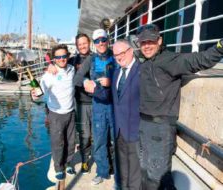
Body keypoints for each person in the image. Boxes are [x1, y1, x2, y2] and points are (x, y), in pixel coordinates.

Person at [136, 24, 223, 189]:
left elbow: (199, 60)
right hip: (142, 125)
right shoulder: (144, 62)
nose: (146, 46)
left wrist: (220, 47)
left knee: (158, 178)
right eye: (143, 42)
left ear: (159, 40)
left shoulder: (170, 60)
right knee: (144, 172)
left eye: (150, 41)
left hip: (159, 129)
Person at [46, 33, 93, 174]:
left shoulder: (96, 58)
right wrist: (50, 65)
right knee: (83, 135)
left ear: (89, 43)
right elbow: (60, 61)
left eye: (85, 43)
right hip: (80, 102)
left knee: (99, 134)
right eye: (79, 44)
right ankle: (83, 162)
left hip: (97, 101)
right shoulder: (72, 61)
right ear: (77, 46)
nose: (82, 46)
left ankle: (99, 161)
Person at [74, 29, 115, 185]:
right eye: (97, 41)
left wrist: (111, 81)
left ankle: (116, 171)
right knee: (99, 140)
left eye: (103, 40)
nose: (100, 43)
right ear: (94, 43)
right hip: (98, 105)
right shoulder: (90, 59)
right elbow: (77, 78)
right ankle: (102, 172)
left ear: (107, 40)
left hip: (115, 105)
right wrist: (85, 82)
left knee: (115, 141)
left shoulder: (116, 55)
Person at [32, 44, 76, 181]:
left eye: (64, 56)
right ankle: (58, 167)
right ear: (54, 59)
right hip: (56, 114)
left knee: (71, 141)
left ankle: (68, 163)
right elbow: (40, 91)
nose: (62, 59)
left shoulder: (72, 68)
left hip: (71, 112)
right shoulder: (49, 74)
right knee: (58, 142)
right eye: (58, 57)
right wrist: (34, 95)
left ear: (68, 56)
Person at [112, 40, 141, 190]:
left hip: (135, 132)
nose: (118, 57)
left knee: (135, 175)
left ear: (130, 51)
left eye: (121, 53)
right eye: (115, 55)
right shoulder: (116, 72)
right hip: (118, 131)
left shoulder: (142, 70)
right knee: (121, 169)